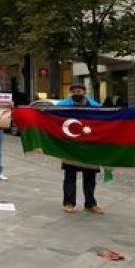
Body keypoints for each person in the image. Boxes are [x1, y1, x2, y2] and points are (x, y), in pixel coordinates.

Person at [57, 83, 104, 214]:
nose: (77, 93)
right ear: (71, 93)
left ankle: (90, 204)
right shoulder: (62, 107)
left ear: (85, 92)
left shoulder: (95, 107)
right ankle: (69, 203)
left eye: (80, 91)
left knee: (90, 177)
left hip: (90, 147)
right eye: (74, 91)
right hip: (71, 146)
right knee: (70, 176)